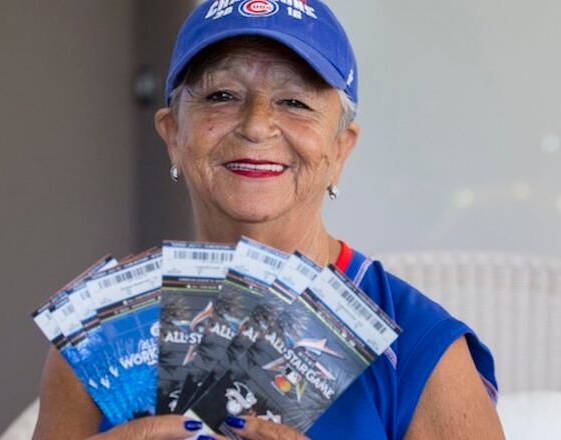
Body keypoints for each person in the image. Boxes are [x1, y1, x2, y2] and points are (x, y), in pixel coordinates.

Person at [33, 1, 505, 439]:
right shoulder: (100, 334)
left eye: (295, 102)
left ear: (341, 148)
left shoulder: (421, 351)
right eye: (221, 94)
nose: (257, 125)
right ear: (173, 134)